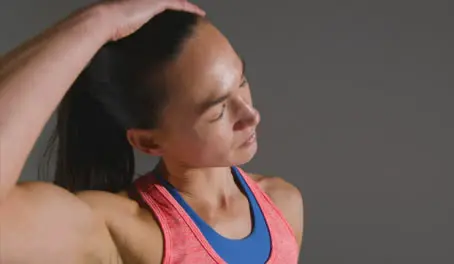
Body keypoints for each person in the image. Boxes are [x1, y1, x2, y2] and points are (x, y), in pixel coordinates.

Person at [0, 0, 304, 263]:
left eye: (242, 81)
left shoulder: (283, 204)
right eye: (218, 109)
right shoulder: (124, 230)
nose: (251, 115)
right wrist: (99, 22)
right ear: (148, 141)